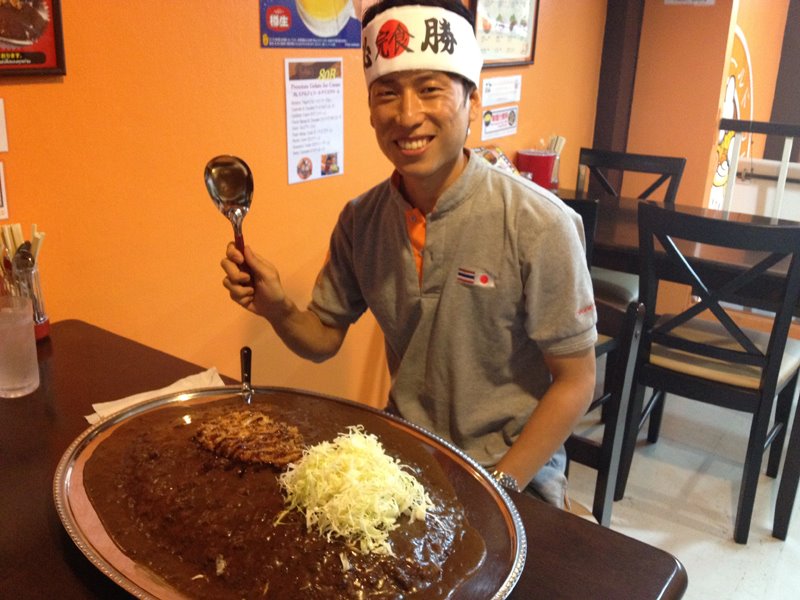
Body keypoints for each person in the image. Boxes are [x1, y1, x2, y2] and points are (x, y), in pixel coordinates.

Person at [221, 0, 597, 508]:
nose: (407, 115)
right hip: (404, 459)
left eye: (430, 89)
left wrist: (497, 488)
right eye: (387, 93)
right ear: (370, 109)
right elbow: (323, 336)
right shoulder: (362, 219)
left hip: (515, 472)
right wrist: (278, 308)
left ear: (472, 101)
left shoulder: (540, 223)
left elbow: (576, 380)